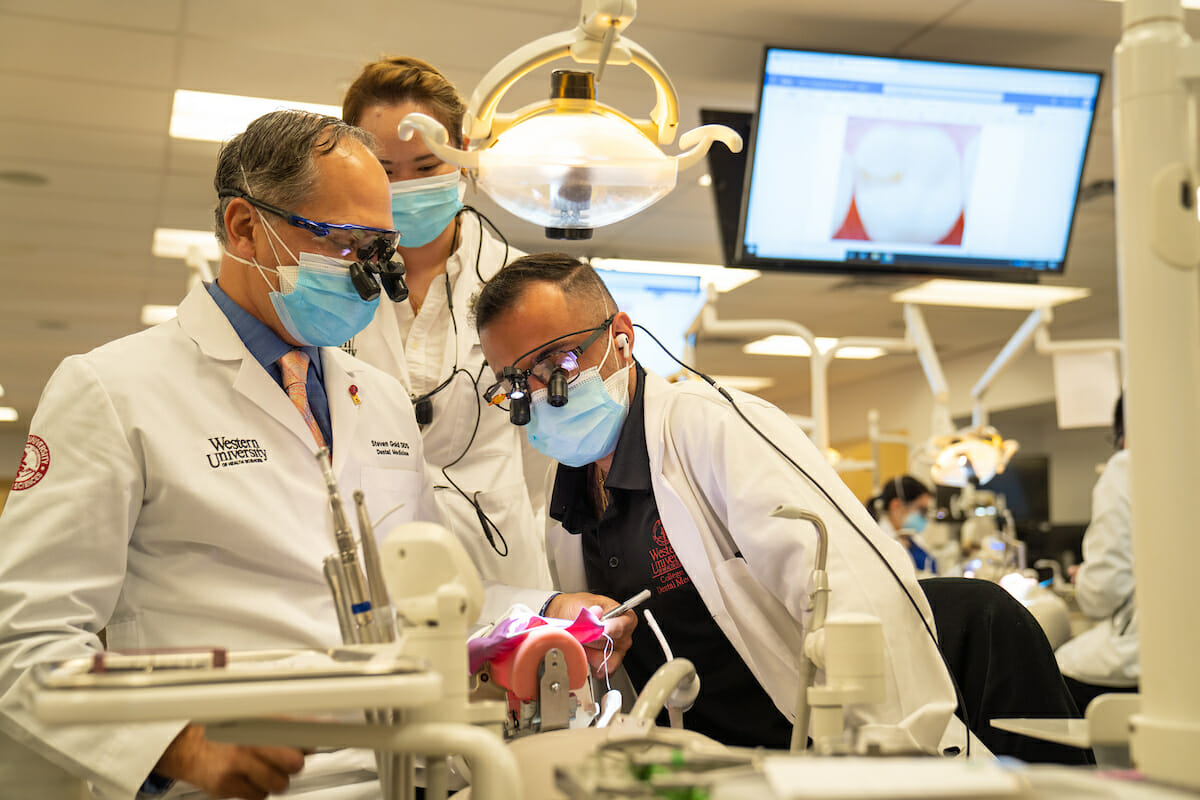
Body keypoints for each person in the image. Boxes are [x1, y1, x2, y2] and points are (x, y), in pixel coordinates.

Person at [0, 110, 438, 799]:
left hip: (401, 769)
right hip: (226, 784)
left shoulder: (380, 399)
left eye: (379, 247)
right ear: (243, 227)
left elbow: (429, 591)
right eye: (345, 244)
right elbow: (25, 639)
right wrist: (176, 741)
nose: (368, 274)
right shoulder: (113, 389)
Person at [471, 253, 964, 754]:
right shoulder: (569, 499)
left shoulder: (713, 428)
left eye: (558, 362)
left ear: (622, 336)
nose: (539, 395)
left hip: (814, 763)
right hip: (694, 770)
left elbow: (855, 594)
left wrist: (892, 761)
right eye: (514, 383)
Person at [341, 56, 554, 622]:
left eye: (426, 164)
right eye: (384, 169)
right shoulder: (329, 289)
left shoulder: (518, 287)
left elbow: (545, 465)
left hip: (495, 566)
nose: (405, 186)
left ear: (461, 153)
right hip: (367, 570)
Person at [1056, 393, 1138, 713]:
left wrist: (1087, 579)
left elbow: (1104, 591)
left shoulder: (1126, 467)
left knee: (1053, 669)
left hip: (1143, 661)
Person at [868, 474, 937, 573]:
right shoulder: (881, 543)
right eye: (922, 510)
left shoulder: (912, 538)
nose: (925, 516)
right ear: (896, 505)